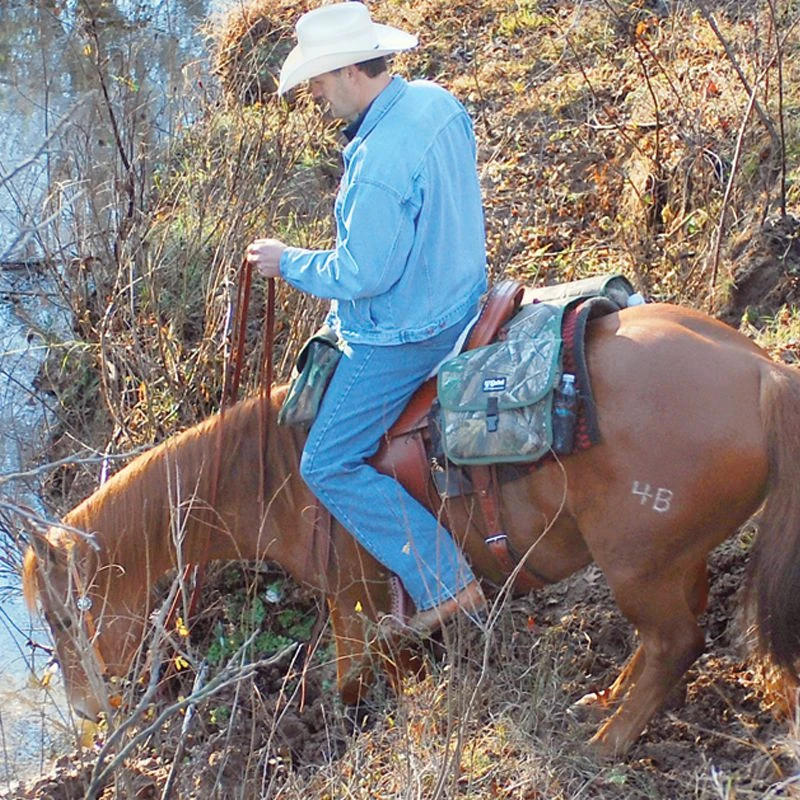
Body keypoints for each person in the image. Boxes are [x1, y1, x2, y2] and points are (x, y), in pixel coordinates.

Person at [246, 2, 487, 633]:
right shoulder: (437, 102)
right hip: (464, 297)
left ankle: (445, 582)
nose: (320, 98)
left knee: (326, 462)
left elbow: (364, 274)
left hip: (409, 332)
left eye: (322, 83)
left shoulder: (378, 162)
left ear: (353, 70)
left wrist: (286, 261)